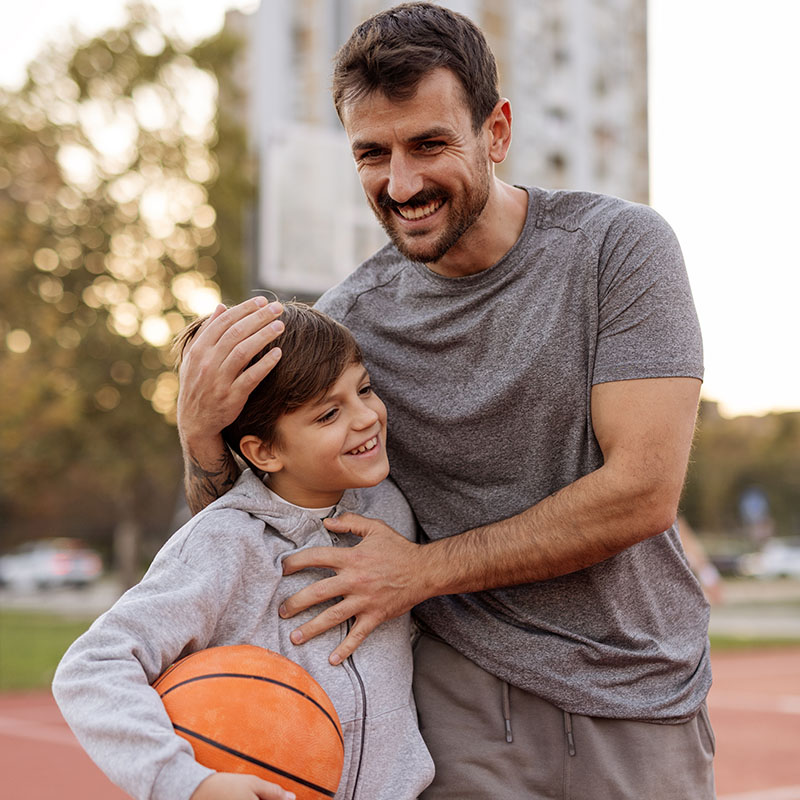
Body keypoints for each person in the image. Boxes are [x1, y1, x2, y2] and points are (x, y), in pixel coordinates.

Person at [176, 4, 715, 797]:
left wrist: (421, 571)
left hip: (638, 689)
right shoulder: (346, 328)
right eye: (372, 153)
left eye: (429, 144)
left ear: (495, 132)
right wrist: (201, 438)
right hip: (457, 700)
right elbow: (256, 528)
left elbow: (642, 493)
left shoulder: (618, 250)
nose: (402, 183)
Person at [52, 302, 434, 800]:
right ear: (264, 452)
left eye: (363, 389)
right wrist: (187, 783)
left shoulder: (388, 505)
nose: (367, 417)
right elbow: (92, 666)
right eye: (328, 413)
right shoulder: (224, 541)